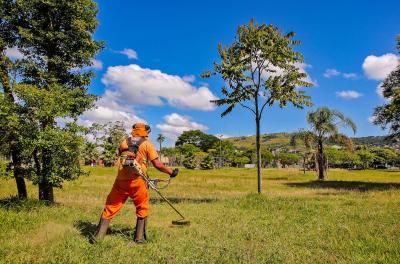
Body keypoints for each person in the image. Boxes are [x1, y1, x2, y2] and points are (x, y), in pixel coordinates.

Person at [94, 122, 178, 243]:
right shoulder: (147, 144)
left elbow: (120, 158)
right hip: (138, 181)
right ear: (145, 132)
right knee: (142, 207)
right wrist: (171, 172)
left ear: (134, 130)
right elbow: (157, 164)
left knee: (111, 206)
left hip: (121, 181)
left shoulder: (123, 142)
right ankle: (139, 238)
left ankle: (98, 237)